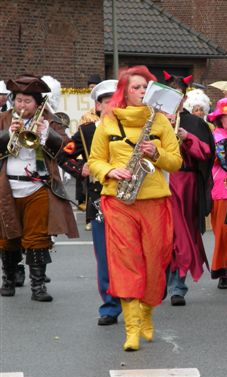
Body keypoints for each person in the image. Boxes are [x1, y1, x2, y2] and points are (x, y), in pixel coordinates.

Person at [87, 65, 182, 351]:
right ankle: (131, 329)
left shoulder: (161, 122)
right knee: (126, 262)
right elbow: (94, 161)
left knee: (155, 262)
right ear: (124, 92)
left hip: (154, 200)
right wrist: (110, 171)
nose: (142, 92)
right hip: (119, 201)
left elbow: (176, 162)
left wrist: (159, 153)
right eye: (136, 88)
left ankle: (147, 314)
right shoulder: (108, 121)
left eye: (145, 87)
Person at [0, 74, 78, 301]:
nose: (22, 106)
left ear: (37, 103)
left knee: (37, 238)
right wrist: (9, 135)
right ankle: (8, 278)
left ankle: (38, 287)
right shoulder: (4, 119)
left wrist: (46, 133)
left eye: (27, 101)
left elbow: (66, 149)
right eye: (18, 100)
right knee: (7, 236)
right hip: (7, 186)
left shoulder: (51, 121)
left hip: (39, 186)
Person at [59, 79, 122, 325]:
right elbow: (63, 155)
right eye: (107, 103)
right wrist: (80, 169)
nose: (112, 108)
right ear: (98, 106)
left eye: (117, 103)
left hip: (131, 200)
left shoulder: (134, 129)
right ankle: (109, 306)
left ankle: (133, 300)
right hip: (99, 202)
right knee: (105, 257)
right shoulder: (87, 132)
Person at [163, 74, 215, 306]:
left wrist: (188, 139)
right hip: (159, 180)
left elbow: (207, 154)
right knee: (161, 234)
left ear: (184, 97)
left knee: (181, 235)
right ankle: (161, 282)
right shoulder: (154, 120)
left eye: (178, 95)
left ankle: (177, 285)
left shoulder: (195, 123)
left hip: (185, 184)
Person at [208, 97, 227, 288]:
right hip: (221, 188)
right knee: (222, 231)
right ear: (219, 119)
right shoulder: (217, 137)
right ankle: (223, 270)